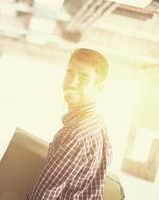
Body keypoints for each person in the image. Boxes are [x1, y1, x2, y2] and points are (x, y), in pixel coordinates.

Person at [27, 48, 112, 200]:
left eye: (84, 79)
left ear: (99, 88)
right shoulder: (98, 124)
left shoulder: (77, 134)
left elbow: (44, 194)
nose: (72, 83)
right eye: (69, 74)